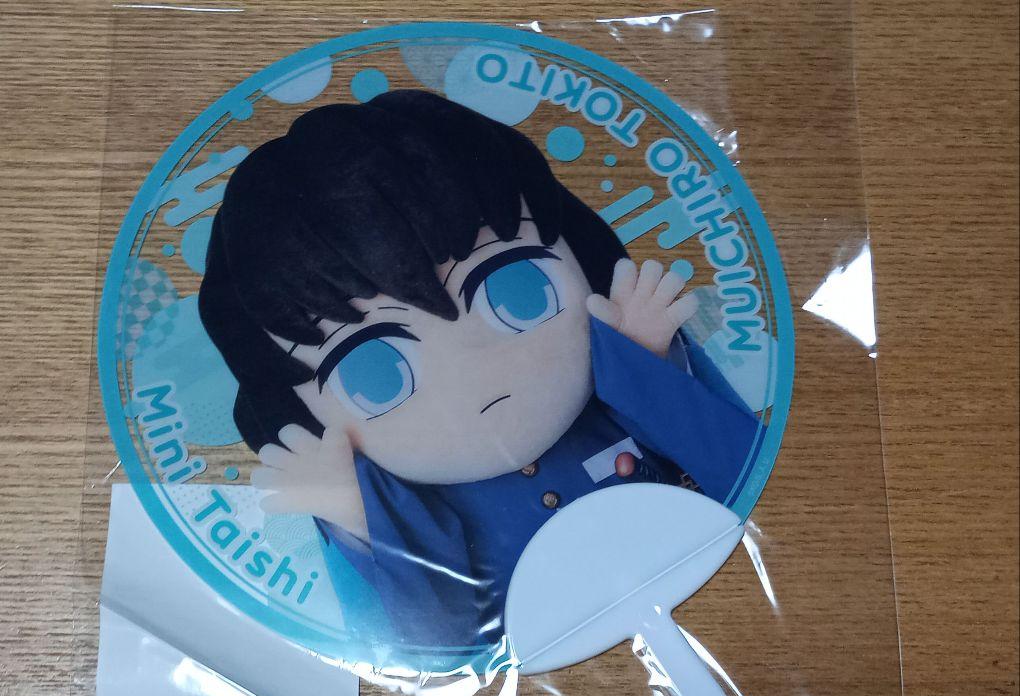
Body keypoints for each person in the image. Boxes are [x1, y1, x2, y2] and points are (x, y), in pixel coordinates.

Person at [199, 89, 759, 651]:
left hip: (725, 600)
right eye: (375, 373)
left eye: (518, 292)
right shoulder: (404, 507)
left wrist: (646, 360)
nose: (474, 367)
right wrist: (358, 516)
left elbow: (745, 473)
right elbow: (438, 647)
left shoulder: (619, 385)